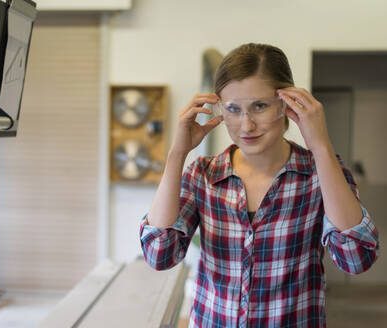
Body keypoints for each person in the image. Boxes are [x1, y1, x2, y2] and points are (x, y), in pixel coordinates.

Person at [139, 43, 379, 328]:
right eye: (233, 109)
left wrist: (321, 147)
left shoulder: (320, 173)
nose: (246, 125)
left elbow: (356, 258)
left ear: (287, 103)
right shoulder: (203, 175)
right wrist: (177, 154)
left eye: (260, 106)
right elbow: (159, 255)